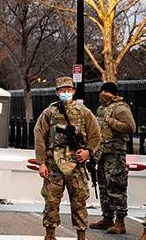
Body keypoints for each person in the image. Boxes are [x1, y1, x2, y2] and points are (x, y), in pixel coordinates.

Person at [34, 77, 101, 240]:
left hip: (76, 165)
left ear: (73, 91)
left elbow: (96, 135)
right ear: (57, 92)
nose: (66, 93)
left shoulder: (84, 112)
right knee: (51, 201)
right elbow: (39, 136)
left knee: (79, 202)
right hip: (53, 165)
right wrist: (41, 163)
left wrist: (87, 152)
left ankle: (81, 235)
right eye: (62, 90)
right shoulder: (49, 112)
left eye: (68, 90)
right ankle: (50, 235)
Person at [89, 82, 136, 234]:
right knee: (103, 187)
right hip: (102, 153)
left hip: (115, 154)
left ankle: (120, 221)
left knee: (117, 187)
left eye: (105, 92)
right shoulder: (101, 108)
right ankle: (107, 217)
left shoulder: (120, 108)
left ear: (112, 93)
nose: (102, 94)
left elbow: (130, 127)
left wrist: (111, 120)